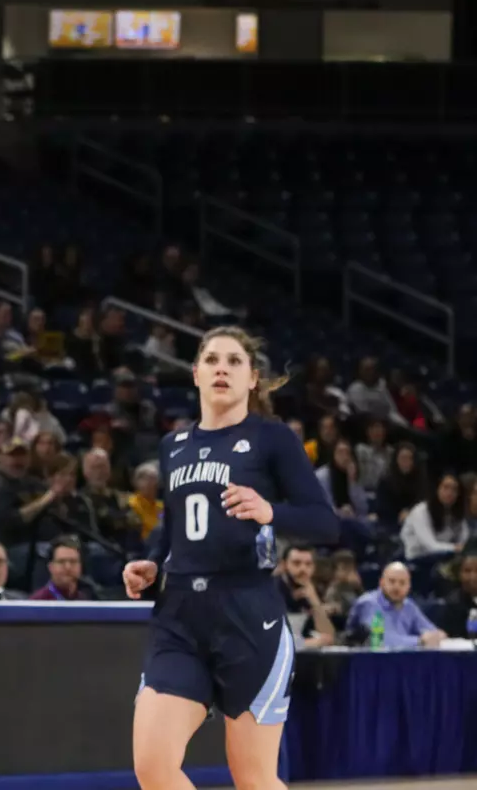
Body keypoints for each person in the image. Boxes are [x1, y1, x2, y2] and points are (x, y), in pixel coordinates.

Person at [124, 327, 339, 790]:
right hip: (179, 616)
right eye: (213, 359)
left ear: (253, 379)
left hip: (248, 615)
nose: (222, 367)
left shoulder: (272, 438)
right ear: (197, 374)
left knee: (255, 779)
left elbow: (326, 522)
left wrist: (270, 511)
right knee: (152, 766)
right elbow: (173, 532)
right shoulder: (172, 447)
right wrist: (150, 565)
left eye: (235, 361)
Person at [344, 561, 445, 649]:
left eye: (402, 583)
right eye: (392, 581)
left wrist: (436, 636)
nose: (396, 587)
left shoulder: (408, 605)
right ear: (381, 582)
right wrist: (419, 641)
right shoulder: (369, 603)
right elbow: (380, 641)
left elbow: (432, 631)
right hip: (368, 663)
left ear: (409, 586)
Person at [273, 543, 336, 649]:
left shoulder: (310, 591)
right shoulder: (270, 592)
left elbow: (328, 637)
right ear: (284, 565)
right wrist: (307, 643)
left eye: (308, 564)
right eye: (296, 563)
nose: (303, 569)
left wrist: (315, 602)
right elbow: (268, 643)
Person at [399, 472, 468, 559]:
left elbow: (464, 541)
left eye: (454, 489)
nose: (450, 493)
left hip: (445, 558)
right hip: (418, 559)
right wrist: (456, 548)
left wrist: (464, 548)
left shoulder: (456, 513)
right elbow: (431, 546)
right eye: (445, 487)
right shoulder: (421, 511)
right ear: (437, 489)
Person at [29, 537, 97, 601]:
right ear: (51, 567)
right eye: (61, 562)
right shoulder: (38, 602)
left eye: (73, 561)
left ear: (80, 566)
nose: (68, 567)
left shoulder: (88, 601)